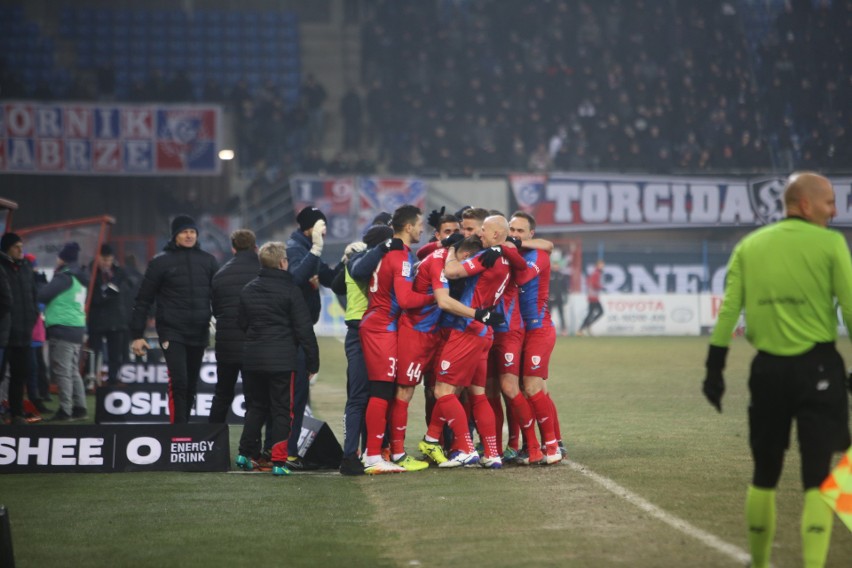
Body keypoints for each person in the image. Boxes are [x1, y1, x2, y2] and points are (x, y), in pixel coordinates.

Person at [703, 172, 852, 568]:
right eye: (828, 202)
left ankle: (759, 561)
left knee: (765, 472)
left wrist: (714, 369)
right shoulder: (831, 243)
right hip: (819, 368)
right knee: (818, 477)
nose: (834, 210)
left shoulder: (749, 246)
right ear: (804, 204)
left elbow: (729, 310)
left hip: (767, 372)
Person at [359, 205, 435, 474]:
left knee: (385, 390)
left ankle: (379, 453)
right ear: (408, 227)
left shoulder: (388, 251)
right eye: (419, 224)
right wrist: (436, 297)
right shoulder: (400, 257)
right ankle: (372, 456)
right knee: (381, 390)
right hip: (381, 327)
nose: (422, 228)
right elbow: (405, 300)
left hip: (380, 324)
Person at [235, 242, 319, 477]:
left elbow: (241, 323)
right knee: (283, 410)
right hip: (282, 360)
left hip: (252, 359)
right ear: (283, 263)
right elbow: (304, 330)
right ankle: (279, 460)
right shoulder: (291, 290)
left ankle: (244, 453)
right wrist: (313, 362)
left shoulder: (248, 289)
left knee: (256, 407)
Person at [130, 215, 219, 424]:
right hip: (172, 330)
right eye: (184, 232)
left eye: (192, 232)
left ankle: (183, 426)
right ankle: (178, 431)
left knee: (191, 384)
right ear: (175, 235)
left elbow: (220, 295)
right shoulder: (160, 262)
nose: (189, 235)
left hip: (199, 330)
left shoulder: (208, 260)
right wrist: (136, 335)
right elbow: (143, 299)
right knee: (179, 382)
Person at [331, 221, 394, 475]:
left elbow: (335, 284)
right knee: (361, 396)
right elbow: (353, 275)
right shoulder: (364, 260)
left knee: (371, 395)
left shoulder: (362, 259)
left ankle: (369, 452)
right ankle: (351, 456)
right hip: (362, 331)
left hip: (368, 331)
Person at [285, 206, 342, 470]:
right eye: (321, 225)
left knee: (298, 395)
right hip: (294, 332)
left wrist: (345, 261)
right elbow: (295, 277)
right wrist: (315, 252)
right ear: (309, 227)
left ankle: (287, 449)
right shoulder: (296, 248)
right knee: (295, 397)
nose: (325, 230)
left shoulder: (306, 246)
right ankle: (289, 452)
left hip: (303, 327)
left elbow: (331, 280)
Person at [209, 229, 258, 424]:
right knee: (254, 399)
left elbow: (216, 310)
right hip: (254, 343)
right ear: (255, 246)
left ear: (233, 247)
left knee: (222, 394)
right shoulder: (263, 271)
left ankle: (210, 442)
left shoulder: (221, 274)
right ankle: (249, 449)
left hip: (226, 345)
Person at [38, 242, 89, 422]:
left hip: (62, 327)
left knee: (62, 371)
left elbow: (42, 295)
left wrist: (40, 283)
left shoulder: (64, 277)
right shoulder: (81, 277)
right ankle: (80, 408)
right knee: (73, 370)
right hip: (76, 327)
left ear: (62, 258)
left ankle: (65, 410)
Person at [87, 243, 130, 386]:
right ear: (98, 258)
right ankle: (92, 378)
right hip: (97, 319)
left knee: (115, 353)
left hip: (115, 319)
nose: (106, 263)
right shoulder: (90, 272)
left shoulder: (120, 273)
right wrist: (104, 296)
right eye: (104, 260)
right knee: (94, 351)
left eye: (109, 260)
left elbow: (126, 292)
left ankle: (112, 379)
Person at [577, 260, 605, 336]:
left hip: (593, 296)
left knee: (591, 313)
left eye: (603, 265)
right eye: (601, 265)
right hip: (593, 297)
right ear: (597, 265)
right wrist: (601, 287)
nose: (602, 266)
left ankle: (582, 328)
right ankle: (584, 327)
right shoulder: (596, 273)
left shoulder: (595, 273)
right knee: (600, 312)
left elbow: (589, 282)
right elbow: (594, 284)